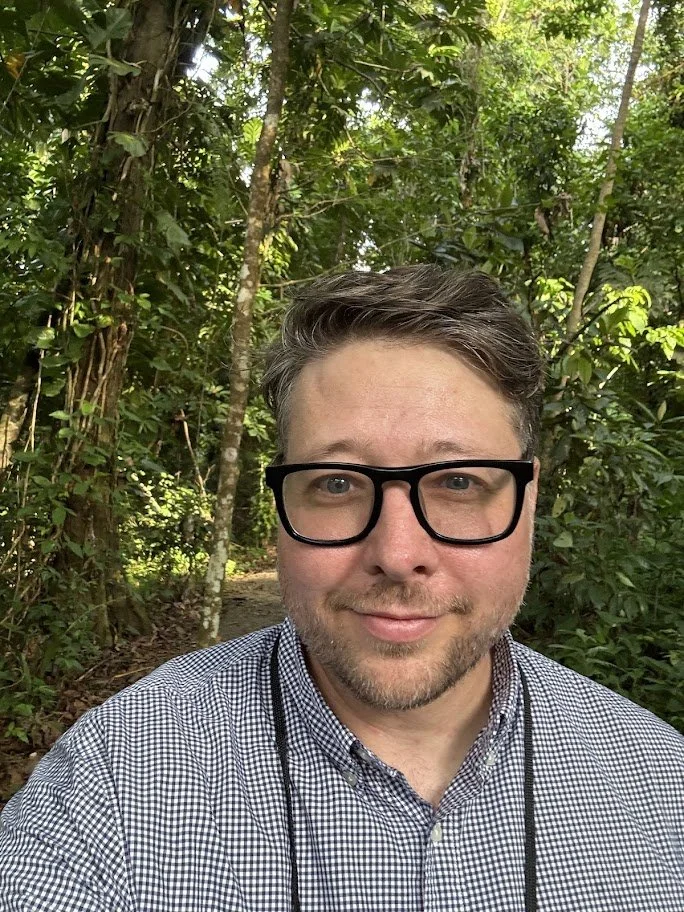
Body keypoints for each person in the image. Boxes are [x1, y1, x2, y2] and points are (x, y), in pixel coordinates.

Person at [1, 266, 682, 911]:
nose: (397, 555)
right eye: (336, 483)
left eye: (458, 482)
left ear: (527, 502)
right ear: (281, 505)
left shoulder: (660, 787)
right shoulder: (114, 781)